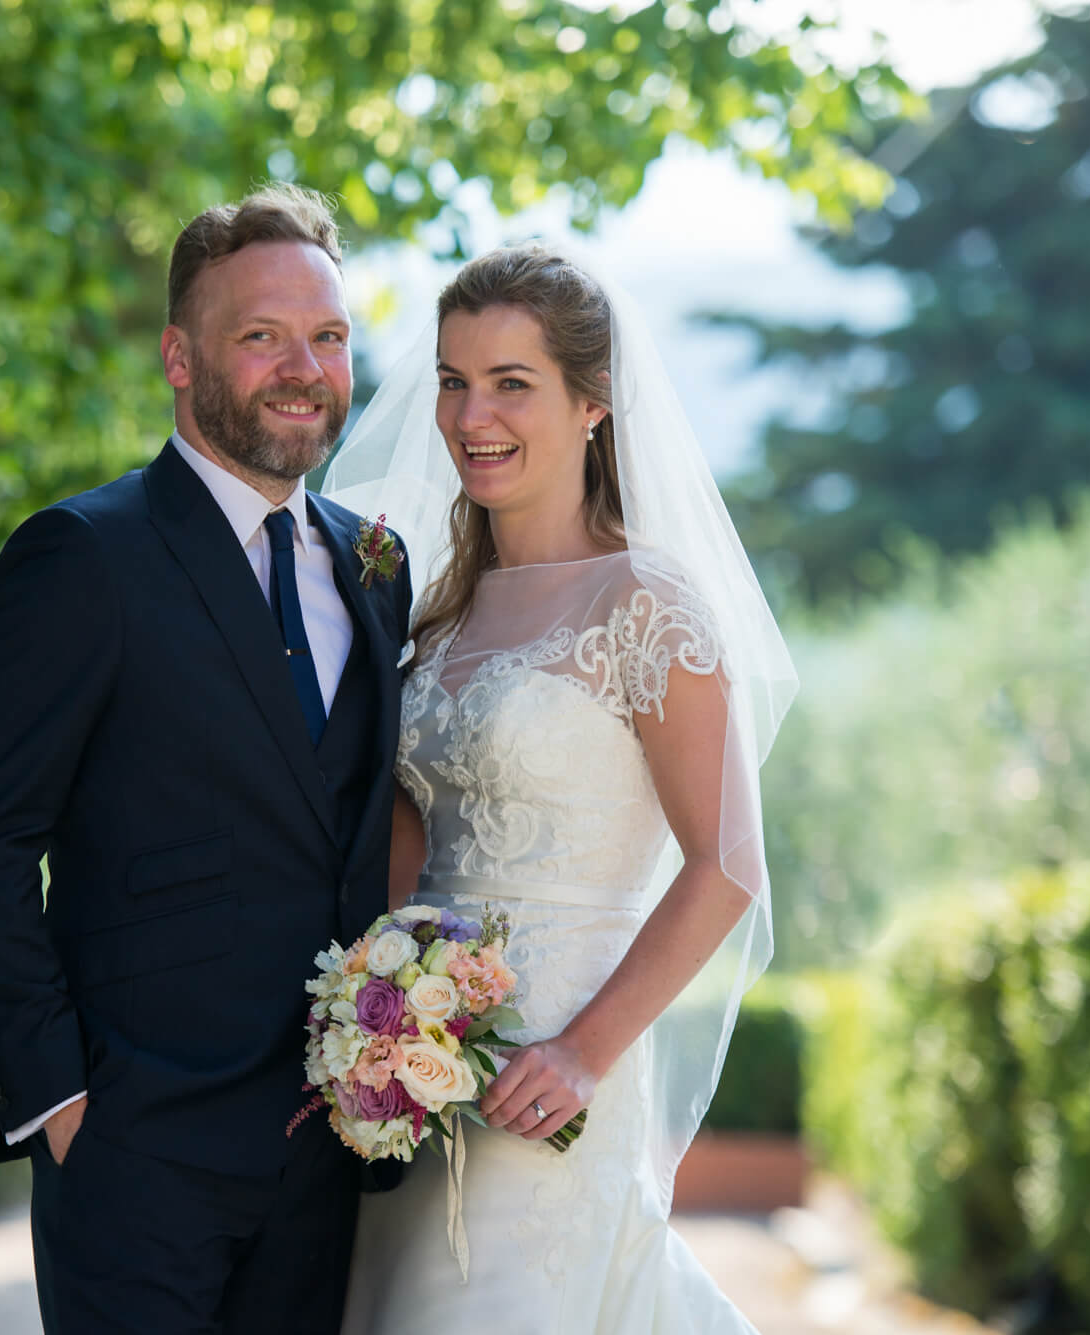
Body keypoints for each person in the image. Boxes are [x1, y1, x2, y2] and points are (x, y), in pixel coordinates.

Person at [0, 184, 414, 1335]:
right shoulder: (81, 557)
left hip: (327, 1162)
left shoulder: (375, 565)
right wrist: (60, 1102)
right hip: (136, 1159)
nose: (303, 366)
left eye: (327, 337)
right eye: (261, 337)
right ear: (179, 359)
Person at [326, 245, 796, 1333]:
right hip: (415, 1066)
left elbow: (725, 865)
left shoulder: (646, 602)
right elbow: (405, 837)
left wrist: (581, 1054)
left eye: (509, 383)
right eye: (452, 380)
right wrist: (366, 1013)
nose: (469, 414)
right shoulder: (439, 613)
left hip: (556, 1067)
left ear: (592, 404)